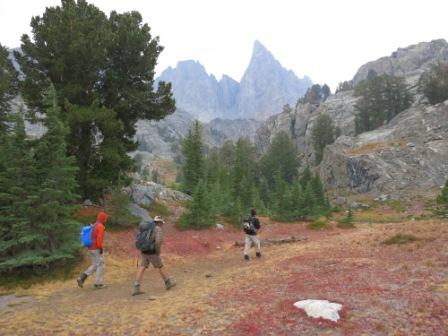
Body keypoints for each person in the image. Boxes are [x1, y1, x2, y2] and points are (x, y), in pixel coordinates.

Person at [132, 216, 176, 296]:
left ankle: (136, 286)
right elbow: (158, 242)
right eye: (162, 223)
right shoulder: (157, 229)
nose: (162, 224)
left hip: (144, 250)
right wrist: (158, 251)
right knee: (160, 266)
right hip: (152, 251)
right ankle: (168, 283)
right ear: (159, 222)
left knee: (142, 267)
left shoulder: (148, 228)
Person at [77, 211, 108, 289]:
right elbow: (99, 238)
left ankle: (82, 278)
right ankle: (98, 284)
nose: (106, 220)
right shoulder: (100, 226)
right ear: (103, 218)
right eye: (105, 218)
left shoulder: (94, 225)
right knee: (101, 264)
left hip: (90, 247)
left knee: (95, 264)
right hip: (96, 248)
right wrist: (100, 247)